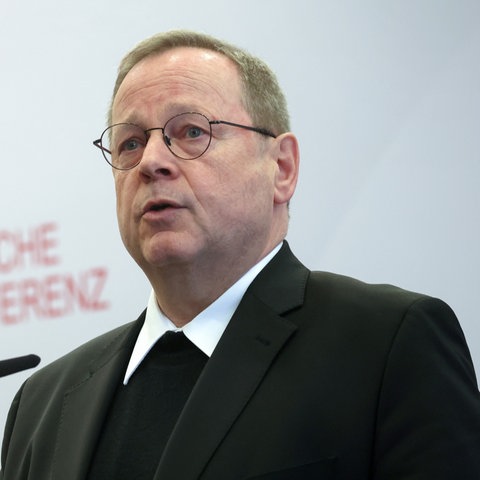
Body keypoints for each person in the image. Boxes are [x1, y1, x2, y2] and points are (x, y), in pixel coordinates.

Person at [1, 29, 480, 480]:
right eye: (130, 142)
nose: (150, 161)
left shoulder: (389, 345)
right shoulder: (42, 403)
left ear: (282, 167)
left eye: (191, 132)